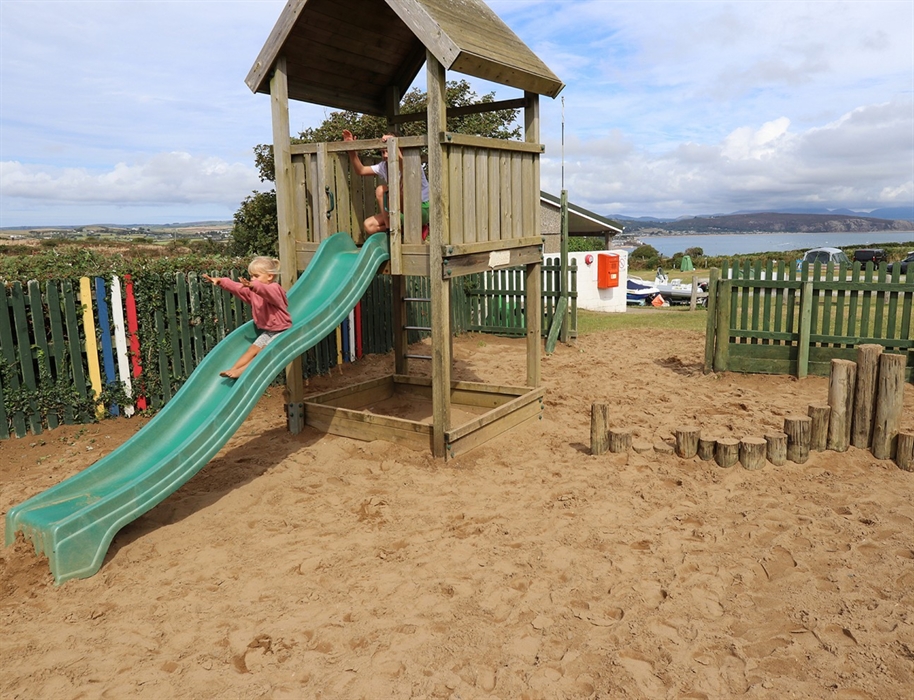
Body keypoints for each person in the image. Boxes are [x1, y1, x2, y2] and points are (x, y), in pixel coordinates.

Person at [202, 256, 292, 379]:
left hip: (282, 330)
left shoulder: (274, 289)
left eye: (256, 276)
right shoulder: (253, 291)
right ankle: (233, 369)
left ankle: (243, 371)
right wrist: (220, 281)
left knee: (263, 351)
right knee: (252, 349)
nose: (253, 279)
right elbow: (236, 287)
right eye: (251, 276)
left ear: (270, 276)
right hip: (269, 331)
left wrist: (253, 286)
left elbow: (266, 291)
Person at [342, 129, 430, 238]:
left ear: (400, 149)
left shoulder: (410, 162)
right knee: (369, 226)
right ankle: (400, 228)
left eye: (387, 150)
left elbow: (405, 168)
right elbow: (361, 170)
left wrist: (393, 142)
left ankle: (391, 230)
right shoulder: (384, 166)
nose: (385, 155)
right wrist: (352, 151)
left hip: (422, 209)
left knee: (382, 190)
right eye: (383, 152)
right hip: (401, 209)